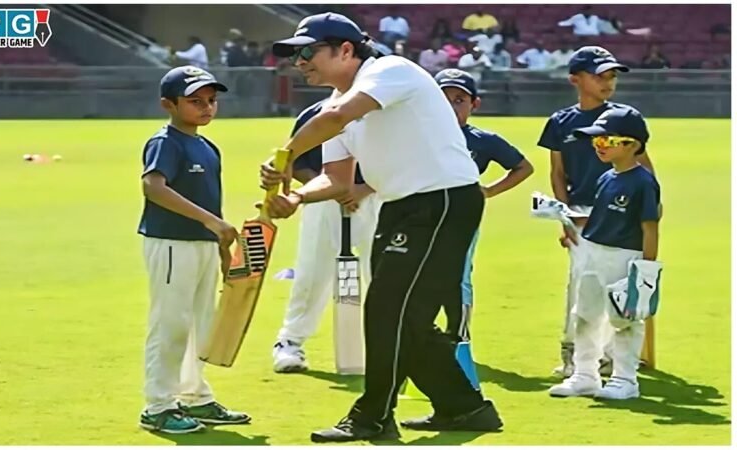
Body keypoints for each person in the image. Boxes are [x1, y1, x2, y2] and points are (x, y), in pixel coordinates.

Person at [263, 11, 503, 443]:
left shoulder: (390, 70)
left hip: (444, 200)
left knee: (389, 310)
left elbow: (337, 120)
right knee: (404, 315)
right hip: (402, 206)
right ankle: (465, 408)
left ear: (347, 50)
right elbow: (337, 179)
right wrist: (297, 196)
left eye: (308, 52)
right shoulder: (333, 106)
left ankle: (372, 416)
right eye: (295, 55)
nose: (299, 61)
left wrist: (284, 156)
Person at [137, 66, 250, 433]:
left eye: (212, 101)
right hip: (171, 243)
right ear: (167, 105)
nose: (207, 108)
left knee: (200, 323)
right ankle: (158, 405)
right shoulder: (165, 142)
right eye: (195, 101)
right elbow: (154, 187)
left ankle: (194, 396)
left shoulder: (205, 144)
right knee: (170, 323)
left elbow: (209, 201)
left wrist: (217, 238)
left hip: (200, 243)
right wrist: (211, 222)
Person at [536, 46, 656, 379]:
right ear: (575, 79)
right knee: (581, 284)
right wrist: (565, 217)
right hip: (581, 216)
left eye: (612, 75)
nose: (608, 82)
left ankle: (612, 358)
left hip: (620, 213)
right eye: (599, 75)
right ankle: (574, 354)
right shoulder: (561, 122)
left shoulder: (624, 117)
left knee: (617, 285)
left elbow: (643, 168)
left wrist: (649, 208)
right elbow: (557, 174)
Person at [548, 107, 661, 400]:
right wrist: (564, 216)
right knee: (585, 313)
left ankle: (625, 379)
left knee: (624, 318)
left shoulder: (643, 182)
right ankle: (585, 375)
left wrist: (646, 271)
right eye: (596, 142)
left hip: (624, 256)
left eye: (605, 141)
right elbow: (597, 217)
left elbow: (650, 226)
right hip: (593, 253)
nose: (598, 147)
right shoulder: (606, 178)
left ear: (632, 145)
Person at [271, 99, 381, 373]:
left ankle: (395, 346)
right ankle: (290, 342)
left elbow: (402, 161)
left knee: (382, 274)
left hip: (378, 198)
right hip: (323, 201)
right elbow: (294, 163)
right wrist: (331, 189)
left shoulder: (387, 114)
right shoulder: (318, 113)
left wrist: (361, 189)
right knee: (312, 273)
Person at [434, 68, 534, 336]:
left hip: (461, 215)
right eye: (443, 100)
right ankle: (423, 332)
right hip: (422, 213)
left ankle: (459, 334)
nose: (451, 107)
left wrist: (489, 191)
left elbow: (523, 167)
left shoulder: (482, 140)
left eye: (459, 100)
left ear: (474, 104)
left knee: (459, 274)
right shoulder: (420, 136)